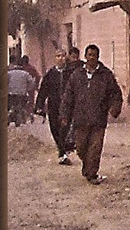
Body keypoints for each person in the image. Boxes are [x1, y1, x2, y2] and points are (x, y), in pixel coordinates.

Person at [59, 43, 123, 184]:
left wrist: (114, 109)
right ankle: (87, 166)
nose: (91, 58)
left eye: (94, 55)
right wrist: (64, 115)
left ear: (98, 57)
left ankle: (92, 173)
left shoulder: (105, 75)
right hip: (80, 119)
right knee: (81, 148)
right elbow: (68, 97)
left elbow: (115, 94)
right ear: (85, 57)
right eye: (89, 55)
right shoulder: (77, 75)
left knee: (95, 147)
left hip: (98, 119)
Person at [35, 49, 68, 160]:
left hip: (67, 106)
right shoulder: (50, 74)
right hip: (53, 105)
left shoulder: (71, 73)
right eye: (58, 56)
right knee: (54, 127)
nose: (61, 58)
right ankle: (61, 150)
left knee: (65, 128)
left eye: (63, 56)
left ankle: (63, 150)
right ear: (55, 58)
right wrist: (39, 105)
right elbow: (43, 91)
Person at [58, 46, 84, 160]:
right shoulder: (69, 68)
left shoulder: (77, 67)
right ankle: (70, 143)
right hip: (72, 98)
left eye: (76, 57)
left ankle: (71, 142)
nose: (74, 59)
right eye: (73, 57)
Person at [7, 60, 35, 125]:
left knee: (12, 106)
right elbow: (32, 83)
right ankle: (21, 118)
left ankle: (10, 114)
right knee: (21, 106)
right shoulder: (26, 74)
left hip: (11, 94)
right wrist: (28, 89)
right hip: (22, 94)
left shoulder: (9, 73)